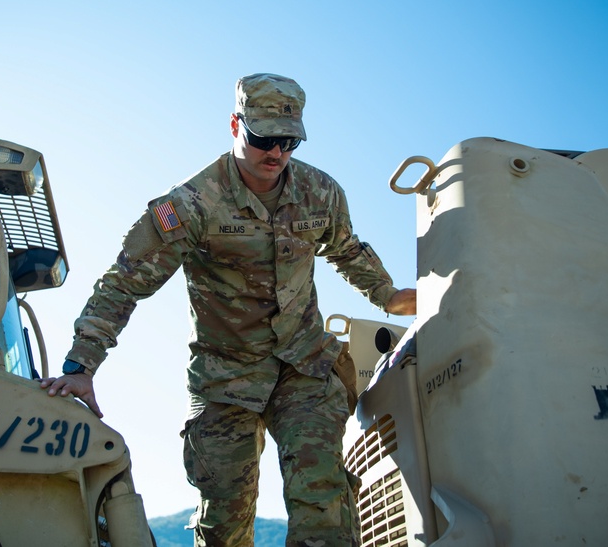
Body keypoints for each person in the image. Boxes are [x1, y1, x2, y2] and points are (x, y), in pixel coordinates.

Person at [41, 73, 416, 546]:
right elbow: (125, 282)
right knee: (224, 522)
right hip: (225, 377)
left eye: (289, 142)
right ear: (236, 125)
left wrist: (388, 295)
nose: (276, 154)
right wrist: (81, 365)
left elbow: (347, 249)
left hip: (303, 365)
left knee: (323, 496)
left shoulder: (320, 193)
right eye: (264, 139)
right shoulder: (193, 204)